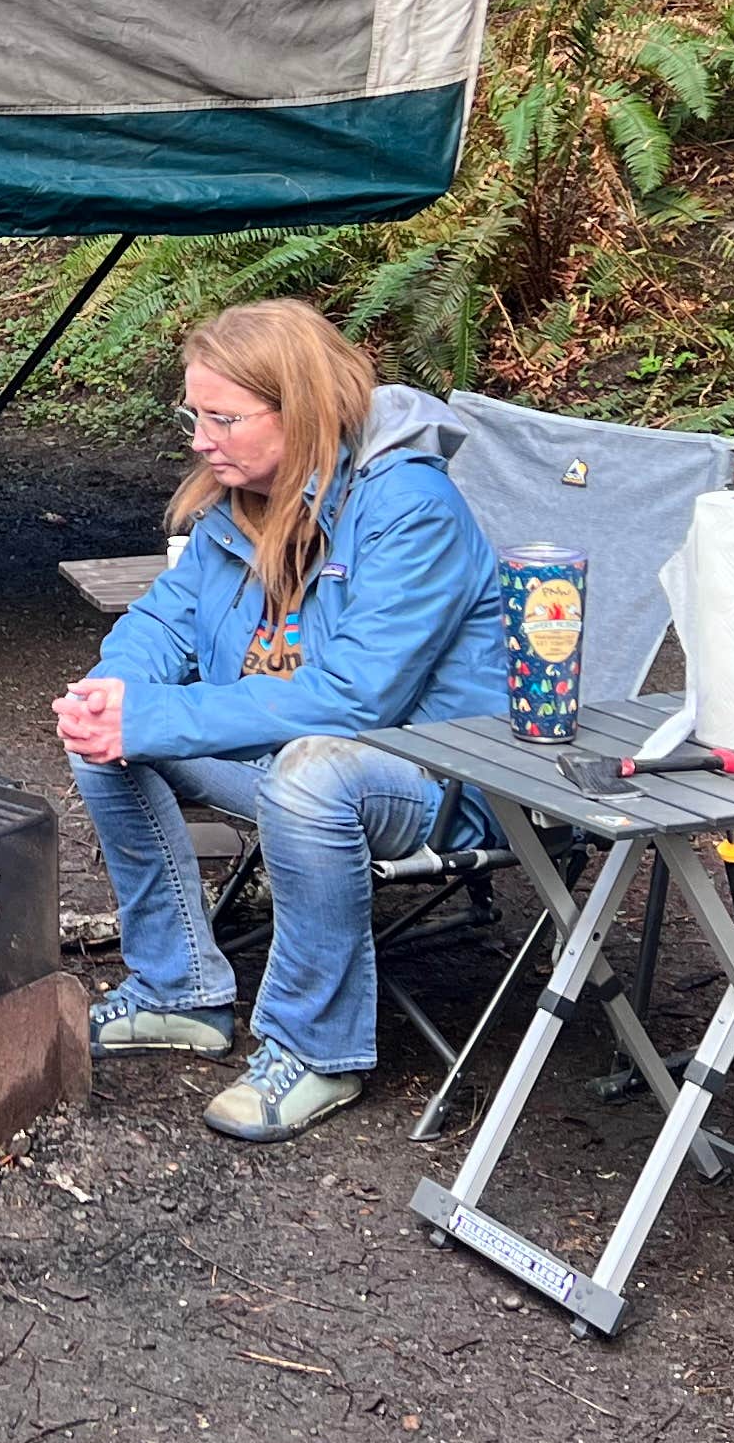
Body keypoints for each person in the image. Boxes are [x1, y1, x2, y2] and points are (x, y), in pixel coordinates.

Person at [52, 299, 502, 1144]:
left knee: (309, 771)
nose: (198, 438)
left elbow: (355, 701)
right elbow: (159, 624)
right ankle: (176, 987)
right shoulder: (242, 503)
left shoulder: (410, 509)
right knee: (106, 740)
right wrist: (110, 695)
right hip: (289, 755)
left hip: (432, 776)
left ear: (299, 411)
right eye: (194, 414)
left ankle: (318, 1049)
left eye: (222, 417)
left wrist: (156, 715)